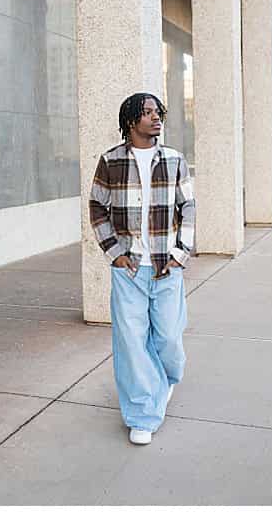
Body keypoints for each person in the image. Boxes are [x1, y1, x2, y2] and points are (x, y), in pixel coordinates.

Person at [87, 91, 195, 445]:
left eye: (158, 111)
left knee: (167, 338)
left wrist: (180, 253)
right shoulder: (111, 161)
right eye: (147, 112)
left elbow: (188, 208)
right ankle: (142, 414)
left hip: (166, 267)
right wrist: (114, 252)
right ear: (131, 120)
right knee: (131, 343)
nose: (156, 117)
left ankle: (166, 379)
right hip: (129, 269)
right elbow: (97, 206)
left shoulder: (174, 159)